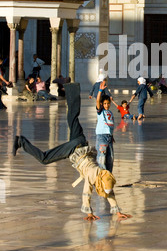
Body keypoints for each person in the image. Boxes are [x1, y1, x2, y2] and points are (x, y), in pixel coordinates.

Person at [12, 82, 131, 222]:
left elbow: (109, 191)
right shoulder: (93, 176)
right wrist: (89, 212)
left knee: (72, 118)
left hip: (81, 141)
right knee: (44, 158)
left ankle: (72, 89)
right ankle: (21, 141)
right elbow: (86, 194)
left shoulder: (103, 175)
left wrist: (118, 212)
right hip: (75, 150)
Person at [96, 94, 115, 172]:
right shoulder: (100, 112)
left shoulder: (110, 112)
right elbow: (97, 101)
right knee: (102, 157)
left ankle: (108, 175)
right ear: (101, 104)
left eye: (108, 103)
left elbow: (110, 125)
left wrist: (112, 136)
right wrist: (100, 91)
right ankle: (102, 175)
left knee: (110, 157)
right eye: (105, 103)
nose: (106, 105)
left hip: (109, 137)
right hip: (102, 137)